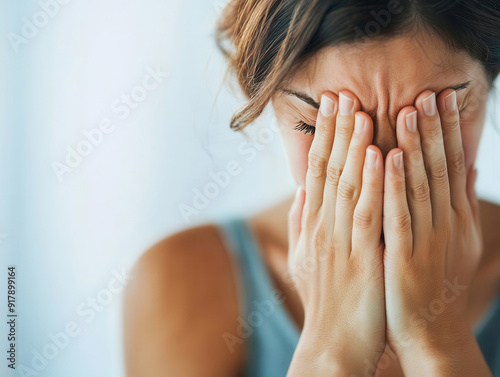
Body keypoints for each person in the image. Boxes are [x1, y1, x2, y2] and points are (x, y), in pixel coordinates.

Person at [123, 1, 500, 376]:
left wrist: (437, 341)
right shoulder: (181, 283)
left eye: (434, 120)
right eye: (317, 125)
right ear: (269, 102)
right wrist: (331, 348)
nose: (382, 178)